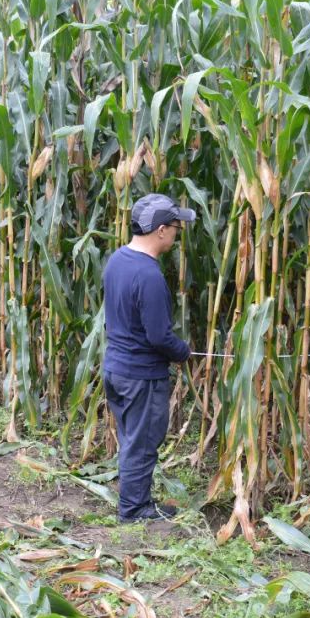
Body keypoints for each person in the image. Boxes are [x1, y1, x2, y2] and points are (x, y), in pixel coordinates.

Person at [103, 193, 195, 523]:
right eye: (176, 228)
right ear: (160, 230)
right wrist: (182, 351)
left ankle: (136, 500)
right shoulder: (149, 276)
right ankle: (134, 510)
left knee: (132, 439)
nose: (177, 234)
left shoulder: (117, 260)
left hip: (117, 369)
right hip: (141, 375)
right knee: (141, 443)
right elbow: (158, 336)